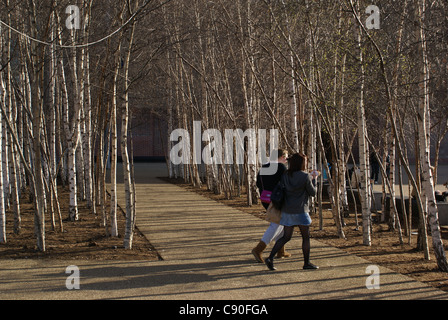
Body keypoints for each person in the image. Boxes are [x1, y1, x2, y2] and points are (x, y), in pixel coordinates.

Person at [265, 153, 319, 271]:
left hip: (287, 210)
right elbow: (313, 193)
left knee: (286, 237)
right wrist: (314, 180)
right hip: (301, 210)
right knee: (306, 237)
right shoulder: (305, 176)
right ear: (301, 163)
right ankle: (306, 263)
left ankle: (270, 257)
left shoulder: (285, 175)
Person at [252, 149, 290, 263]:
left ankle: (280, 250)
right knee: (277, 224)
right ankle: (259, 249)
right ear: (282, 156)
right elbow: (287, 183)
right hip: (278, 199)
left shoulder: (264, 167)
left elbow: (258, 183)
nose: (287, 160)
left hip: (265, 199)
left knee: (281, 224)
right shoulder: (281, 168)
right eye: (286, 157)